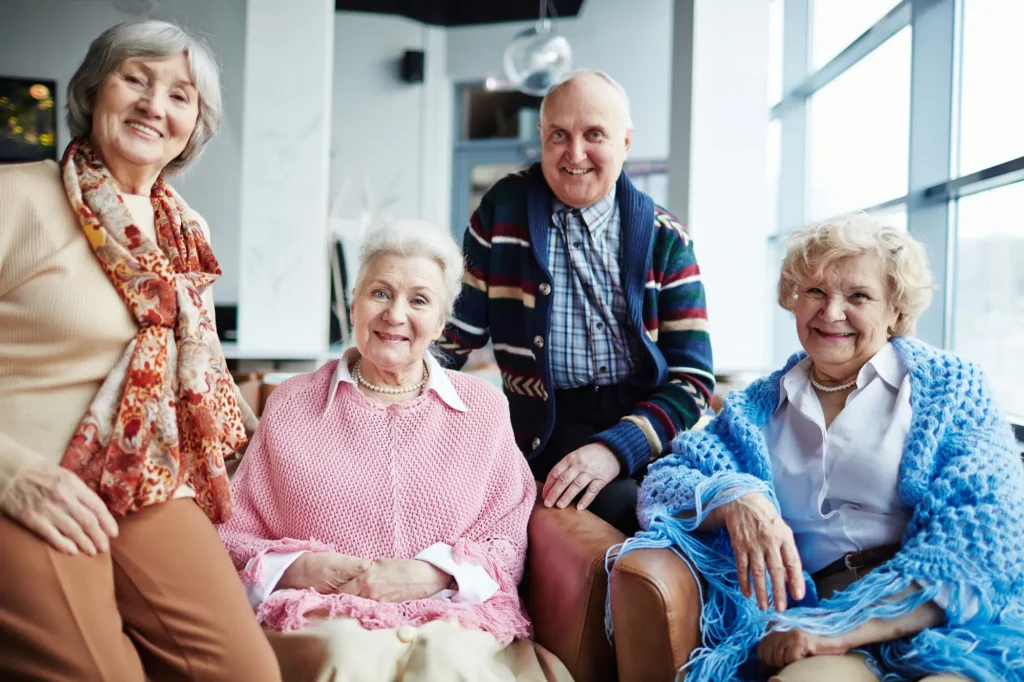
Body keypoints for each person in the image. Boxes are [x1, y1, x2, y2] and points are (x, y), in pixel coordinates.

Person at [617, 215, 1024, 682]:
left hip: (939, 620)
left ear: (895, 309)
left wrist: (840, 629)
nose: (831, 312)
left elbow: (980, 541)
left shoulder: (952, 391)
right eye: (814, 292)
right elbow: (664, 483)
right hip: (807, 620)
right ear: (793, 298)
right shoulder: (757, 406)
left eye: (858, 296)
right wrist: (734, 496)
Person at [0, 20, 277, 681]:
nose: (156, 104)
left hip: (146, 478)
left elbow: (195, 374)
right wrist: (10, 472)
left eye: (181, 94)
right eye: (136, 79)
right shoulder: (18, 196)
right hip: (29, 475)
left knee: (247, 674)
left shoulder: (187, 231)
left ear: (195, 125)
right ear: (96, 89)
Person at [218, 221, 571, 682]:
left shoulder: (483, 408)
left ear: (441, 323)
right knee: (347, 654)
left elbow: (506, 536)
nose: (395, 314)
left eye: (418, 300)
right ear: (354, 304)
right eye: (380, 293)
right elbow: (235, 533)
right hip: (323, 613)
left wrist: (433, 574)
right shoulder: (292, 403)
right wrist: (298, 568)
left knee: (448, 663)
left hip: (452, 616)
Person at [437, 69, 714, 535]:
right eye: (559, 135)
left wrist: (614, 448)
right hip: (546, 425)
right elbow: (452, 338)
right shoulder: (502, 212)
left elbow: (693, 380)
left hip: (647, 428)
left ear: (625, 142)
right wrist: (387, 376)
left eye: (594, 135)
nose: (575, 153)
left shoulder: (667, 238)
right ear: (542, 138)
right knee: (626, 511)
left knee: (695, 512)